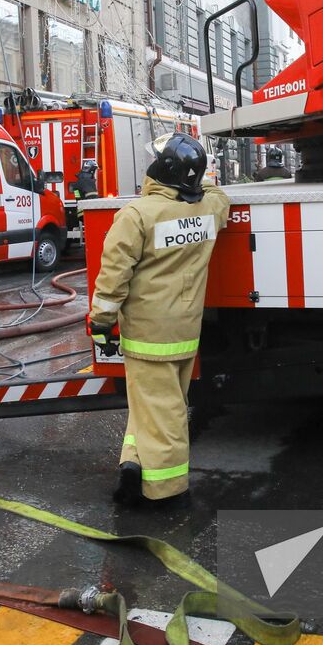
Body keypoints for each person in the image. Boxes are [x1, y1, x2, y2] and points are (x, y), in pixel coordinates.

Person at [88, 133, 230, 508]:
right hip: (185, 332)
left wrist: (100, 323)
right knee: (154, 404)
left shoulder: (136, 215)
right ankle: (134, 463)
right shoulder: (206, 211)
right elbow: (217, 196)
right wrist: (202, 180)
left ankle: (165, 491)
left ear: (162, 168)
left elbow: (112, 278)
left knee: (162, 412)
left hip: (148, 335)